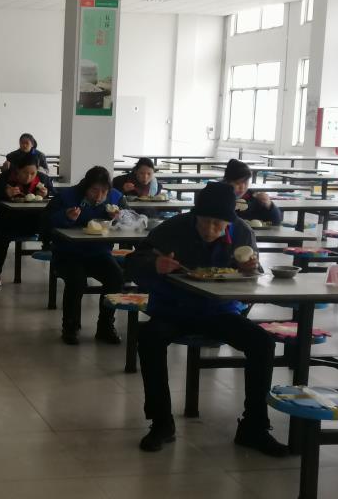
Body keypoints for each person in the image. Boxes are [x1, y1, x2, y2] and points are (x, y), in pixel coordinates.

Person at [124, 182, 287, 457]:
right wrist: (154, 264)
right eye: (205, 222)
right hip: (174, 309)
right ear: (194, 215)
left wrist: (250, 269)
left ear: (229, 222)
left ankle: (254, 427)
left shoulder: (242, 232)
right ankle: (161, 423)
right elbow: (132, 263)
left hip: (220, 311)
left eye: (218, 224)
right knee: (150, 337)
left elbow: (254, 275)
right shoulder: (172, 229)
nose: (211, 229)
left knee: (262, 343)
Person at [48, 166, 126, 345]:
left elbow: (130, 220)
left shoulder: (116, 197)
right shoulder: (67, 196)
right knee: (76, 281)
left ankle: (105, 326)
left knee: (116, 277)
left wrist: (119, 218)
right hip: (68, 253)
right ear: (86, 187)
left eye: (104, 191)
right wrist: (66, 217)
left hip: (99, 253)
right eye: (94, 190)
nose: (99, 196)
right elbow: (46, 221)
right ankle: (70, 327)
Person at [0, 152, 55, 289]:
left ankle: (48, 247)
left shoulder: (43, 179)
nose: (29, 177)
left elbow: (56, 198)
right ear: (17, 170)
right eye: (25, 173)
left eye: (32, 173)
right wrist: (4, 193)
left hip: (36, 222)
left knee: (53, 223)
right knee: (0, 236)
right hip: (10, 221)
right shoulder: (4, 178)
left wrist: (47, 194)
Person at [223, 159, 282, 225]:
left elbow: (276, 221)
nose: (242, 188)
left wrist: (269, 205)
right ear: (227, 182)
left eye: (246, 183)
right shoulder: (218, 198)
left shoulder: (253, 198)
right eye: (238, 183)